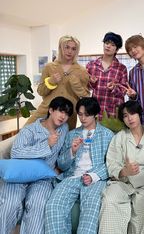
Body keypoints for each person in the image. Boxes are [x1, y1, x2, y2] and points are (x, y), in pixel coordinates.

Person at [0, 96, 74, 234]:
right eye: (61, 111)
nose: (64, 116)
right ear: (51, 110)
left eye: (67, 114)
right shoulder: (30, 130)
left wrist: (62, 162)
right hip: (20, 175)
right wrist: (46, 145)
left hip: (43, 178)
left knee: (38, 205)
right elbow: (16, 152)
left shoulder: (63, 129)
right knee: (10, 203)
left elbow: (63, 152)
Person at [45, 97, 114, 234]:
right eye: (80, 114)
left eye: (87, 115)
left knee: (90, 211)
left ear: (95, 115)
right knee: (53, 205)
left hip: (94, 180)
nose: (83, 118)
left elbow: (112, 164)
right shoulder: (71, 135)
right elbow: (62, 165)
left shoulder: (107, 135)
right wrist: (72, 151)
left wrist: (93, 176)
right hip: (71, 177)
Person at [99, 101, 144, 234]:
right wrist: (124, 171)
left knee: (143, 210)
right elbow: (112, 163)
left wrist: (134, 175)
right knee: (110, 200)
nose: (130, 118)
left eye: (133, 113)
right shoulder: (119, 138)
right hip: (121, 183)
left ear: (139, 114)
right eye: (125, 115)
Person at [26, 35, 89, 129]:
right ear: (60, 48)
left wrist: (77, 86)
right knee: (25, 131)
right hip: (47, 110)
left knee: (63, 142)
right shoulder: (49, 67)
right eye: (67, 47)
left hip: (68, 114)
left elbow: (86, 97)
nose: (70, 51)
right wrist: (51, 82)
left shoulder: (82, 71)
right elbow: (40, 91)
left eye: (73, 48)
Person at [86, 32, 128, 120]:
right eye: (106, 43)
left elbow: (124, 90)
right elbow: (86, 87)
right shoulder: (91, 65)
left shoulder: (121, 68)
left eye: (112, 45)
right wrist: (91, 82)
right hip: (95, 111)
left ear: (116, 50)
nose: (108, 46)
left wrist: (114, 88)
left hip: (114, 113)